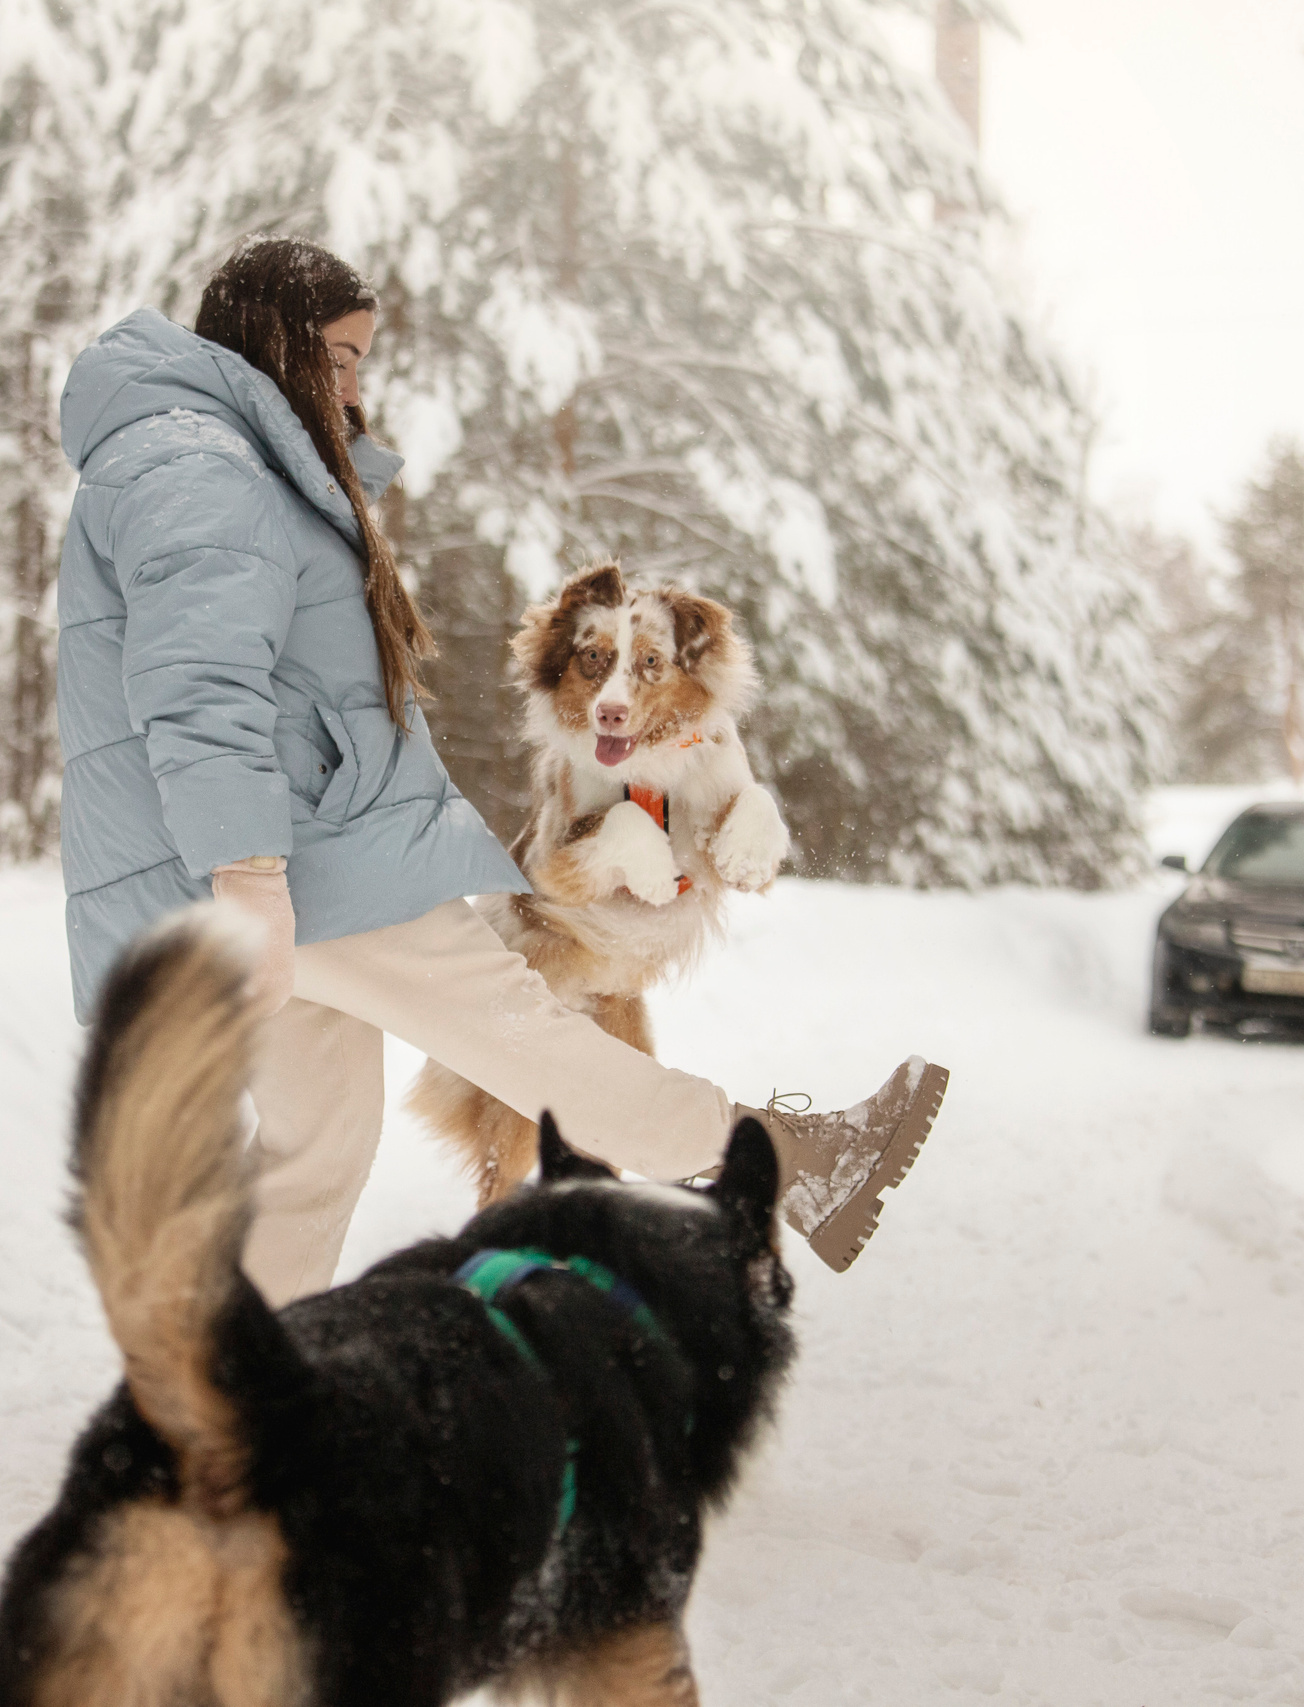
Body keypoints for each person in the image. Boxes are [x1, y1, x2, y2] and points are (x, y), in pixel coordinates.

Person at [54, 235, 941, 1303]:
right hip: (297, 861)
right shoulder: (197, 462)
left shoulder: (213, 454)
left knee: (316, 1146)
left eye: (360, 362)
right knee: (525, 1037)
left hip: (276, 859)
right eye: (338, 358)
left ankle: (220, 1387)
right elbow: (198, 681)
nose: (353, 387)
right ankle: (794, 1161)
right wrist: (247, 873)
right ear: (273, 339)